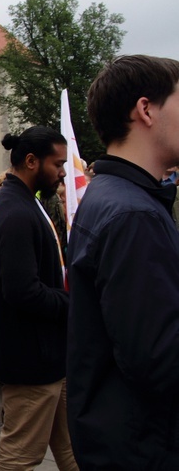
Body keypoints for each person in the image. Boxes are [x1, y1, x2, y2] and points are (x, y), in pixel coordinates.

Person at [67, 55, 179, 469]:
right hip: (146, 444)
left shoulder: (113, 196)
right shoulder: (134, 214)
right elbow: (157, 357)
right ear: (146, 110)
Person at [0, 126, 77, 470]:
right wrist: (73, 303)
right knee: (20, 458)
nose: (63, 172)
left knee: (73, 449)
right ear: (31, 161)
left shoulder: (24, 202)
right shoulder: (15, 211)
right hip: (31, 362)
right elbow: (21, 290)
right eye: (57, 164)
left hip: (49, 357)